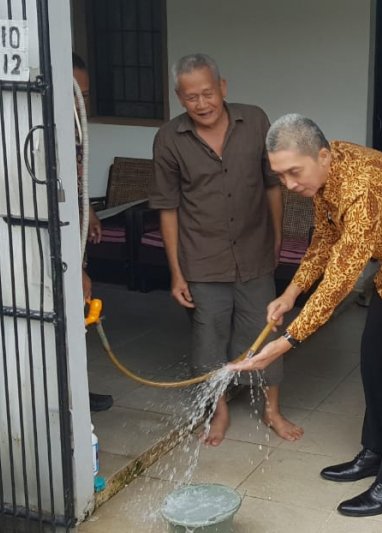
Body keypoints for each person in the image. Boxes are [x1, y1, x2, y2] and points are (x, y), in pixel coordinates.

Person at [229, 114, 382, 517]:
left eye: (294, 173)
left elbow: (340, 278)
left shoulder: (360, 187)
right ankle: (374, 452)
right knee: (373, 359)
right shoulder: (327, 173)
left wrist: (285, 344)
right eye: (280, 175)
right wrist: (290, 292)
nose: (289, 185)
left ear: (321, 155)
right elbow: (325, 239)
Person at [149, 53, 300, 445]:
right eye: (191, 97)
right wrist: (176, 272)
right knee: (208, 339)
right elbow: (168, 209)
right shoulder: (169, 138)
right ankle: (218, 414)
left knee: (266, 331)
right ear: (179, 98)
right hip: (201, 258)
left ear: (223, 88)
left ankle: (272, 411)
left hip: (255, 251)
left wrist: (278, 236)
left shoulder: (255, 121)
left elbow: (272, 184)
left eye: (207, 93)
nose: (201, 104)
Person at [73, 53, 113, 413]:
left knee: (77, 326)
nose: (80, 103)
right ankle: (67, 401)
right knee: (65, 326)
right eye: (74, 94)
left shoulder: (75, 128)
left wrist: (90, 211)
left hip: (74, 238)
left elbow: (74, 182)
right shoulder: (39, 136)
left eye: (85, 96)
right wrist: (78, 271)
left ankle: (77, 394)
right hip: (54, 257)